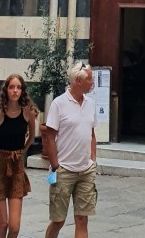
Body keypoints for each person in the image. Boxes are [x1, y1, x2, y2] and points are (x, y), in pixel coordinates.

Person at [44, 61, 97, 238]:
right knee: (58, 220)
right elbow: (50, 136)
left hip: (86, 170)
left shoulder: (90, 103)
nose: (92, 82)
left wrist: (93, 160)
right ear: (78, 81)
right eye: (90, 79)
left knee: (82, 219)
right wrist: (55, 165)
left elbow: (92, 134)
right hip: (64, 170)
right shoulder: (59, 104)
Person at [0, 74, 36, 238]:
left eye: (18, 87)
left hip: (16, 166)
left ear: (22, 91)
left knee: (14, 226)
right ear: (6, 90)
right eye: (12, 87)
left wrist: (22, 151)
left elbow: (31, 137)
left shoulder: (28, 113)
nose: (15, 91)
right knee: (2, 224)